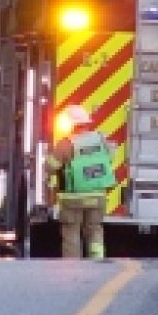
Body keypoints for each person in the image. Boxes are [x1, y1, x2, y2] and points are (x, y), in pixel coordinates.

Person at [44, 106, 115, 259]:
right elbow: (110, 158)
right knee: (94, 229)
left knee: (71, 231)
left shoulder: (67, 143)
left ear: (71, 124)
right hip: (98, 196)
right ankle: (97, 260)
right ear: (86, 123)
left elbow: (50, 166)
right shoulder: (101, 139)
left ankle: (73, 264)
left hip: (73, 198)